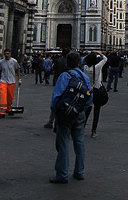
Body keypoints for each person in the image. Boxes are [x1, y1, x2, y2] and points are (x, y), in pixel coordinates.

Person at [49, 50, 92, 184]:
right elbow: (89, 97)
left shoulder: (64, 76)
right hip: (79, 114)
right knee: (79, 143)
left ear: (67, 63)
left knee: (63, 143)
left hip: (65, 115)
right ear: (79, 62)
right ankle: (79, 172)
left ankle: (62, 174)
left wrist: (55, 113)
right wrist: (80, 110)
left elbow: (56, 97)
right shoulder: (85, 77)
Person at [83, 51, 108, 137]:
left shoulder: (85, 68)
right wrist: (99, 53)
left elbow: (83, 61)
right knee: (96, 112)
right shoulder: (97, 67)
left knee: (87, 111)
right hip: (97, 91)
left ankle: (82, 129)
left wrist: (88, 55)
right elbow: (105, 59)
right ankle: (94, 131)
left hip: (89, 91)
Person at [0, 48, 22, 119]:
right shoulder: (1, 62)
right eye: (5, 54)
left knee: (10, 97)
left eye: (7, 53)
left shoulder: (14, 61)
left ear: (10, 54)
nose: (6, 55)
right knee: (3, 96)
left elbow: (17, 70)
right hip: (3, 81)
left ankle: (9, 109)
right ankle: (2, 112)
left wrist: (19, 79)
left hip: (12, 81)